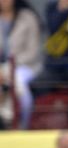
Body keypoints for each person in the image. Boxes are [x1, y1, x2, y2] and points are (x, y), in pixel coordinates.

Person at [0, 0, 42, 128]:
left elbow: (33, 52)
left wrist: (8, 67)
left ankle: (23, 126)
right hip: (1, 69)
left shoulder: (28, 17)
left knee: (19, 87)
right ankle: (5, 122)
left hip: (24, 66)